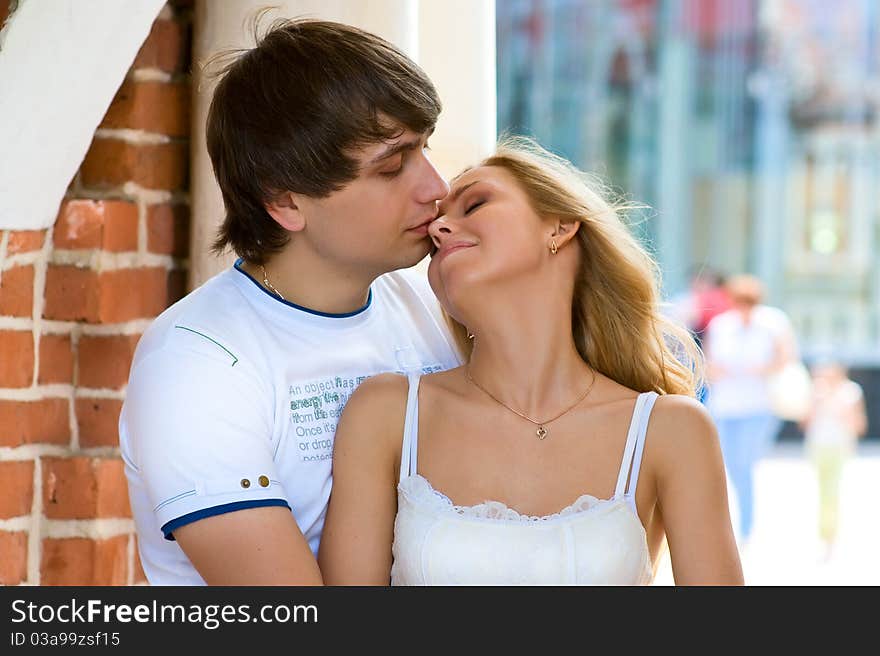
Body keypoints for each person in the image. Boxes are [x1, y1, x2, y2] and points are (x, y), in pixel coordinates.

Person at [119, 18, 462, 585]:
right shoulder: (197, 363)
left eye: (425, 150)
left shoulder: (430, 302)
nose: (435, 187)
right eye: (392, 167)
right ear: (286, 203)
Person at [318, 137, 744, 585]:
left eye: (475, 204)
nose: (440, 229)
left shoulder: (671, 430)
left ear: (558, 226)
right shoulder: (386, 412)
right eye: (435, 227)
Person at [703, 274, 797, 547]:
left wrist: (758, 369)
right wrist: (719, 371)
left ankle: (745, 527)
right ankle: (728, 523)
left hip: (758, 405)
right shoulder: (721, 326)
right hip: (725, 405)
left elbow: (786, 357)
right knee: (725, 465)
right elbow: (708, 362)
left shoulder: (773, 322)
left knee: (744, 464)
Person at [801, 359, 867, 557]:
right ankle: (824, 534)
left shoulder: (851, 392)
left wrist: (839, 408)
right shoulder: (816, 391)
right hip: (817, 447)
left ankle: (829, 536)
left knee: (832, 491)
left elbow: (859, 424)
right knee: (822, 490)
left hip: (839, 447)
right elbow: (805, 422)